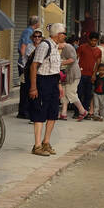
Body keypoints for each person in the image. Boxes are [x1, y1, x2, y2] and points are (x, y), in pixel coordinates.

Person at [29, 23, 65, 156]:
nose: (65, 36)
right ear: (58, 34)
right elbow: (34, 67)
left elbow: (56, 68)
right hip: (42, 81)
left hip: (53, 81)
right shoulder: (45, 46)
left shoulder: (56, 47)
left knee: (53, 113)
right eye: (63, 33)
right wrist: (33, 87)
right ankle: (37, 145)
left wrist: (59, 85)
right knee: (40, 112)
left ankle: (46, 142)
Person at [59, 30, 89, 121]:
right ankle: (63, 113)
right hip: (65, 74)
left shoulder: (67, 47)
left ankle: (83, 111)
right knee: (63, 93)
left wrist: (59, 63)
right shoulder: (57, 48)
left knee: (71, 93)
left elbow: (72, 59)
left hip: (73, 74)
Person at [16, 15, 40, 121]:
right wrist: (24, 61)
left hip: (26, 65)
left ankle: (24, 110)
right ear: (36, 23)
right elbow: (23, 48)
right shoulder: (29, 32)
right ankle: (23, 111)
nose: (37, 38)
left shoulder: (30, 31)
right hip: (24, 66)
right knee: (25, 87)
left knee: (26, 87)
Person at [76, 32, 101, 117]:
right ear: (89, 40)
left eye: (95, 41)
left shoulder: (98, 51)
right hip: (80, 74)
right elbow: (76, 59)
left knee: (88, 95)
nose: (93, 42)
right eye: (92, 40)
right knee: (79, 93)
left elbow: (97, 64)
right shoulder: (82, 47)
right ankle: (77, 112)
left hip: (90, 75)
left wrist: (94, 75)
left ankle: (85, 112)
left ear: (97, 41)